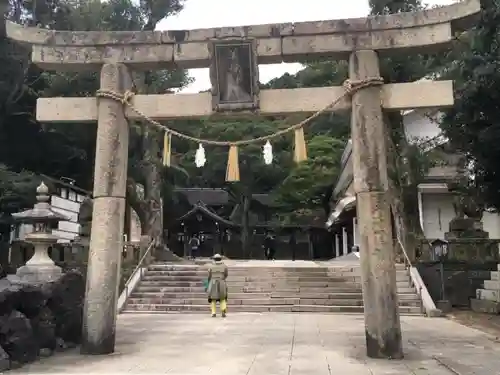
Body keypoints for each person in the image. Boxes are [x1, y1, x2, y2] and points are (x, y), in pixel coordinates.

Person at [207, 253, 228, 317]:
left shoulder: (211, 266)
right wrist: (222, 279)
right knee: (222, 297)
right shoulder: (224, 266)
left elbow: (209, 276)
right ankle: (223, 311)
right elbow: (226, 274)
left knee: (213, 298)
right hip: (221, 282)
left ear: (214, 259)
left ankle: (213, 312)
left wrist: (208, 283)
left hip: (213, 282)